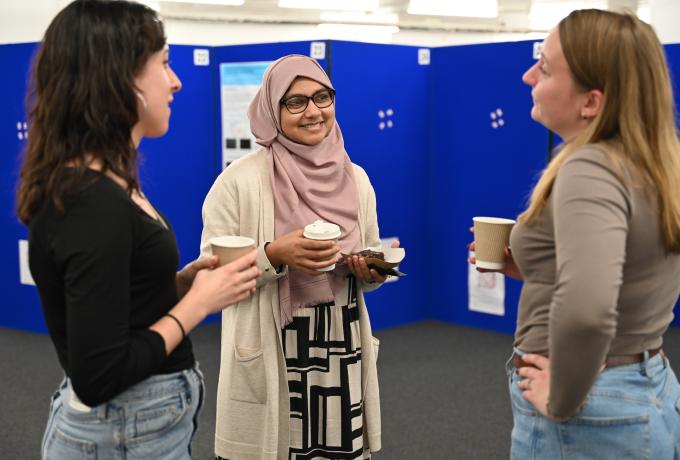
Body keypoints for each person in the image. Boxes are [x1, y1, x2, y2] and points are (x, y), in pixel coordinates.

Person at [16, 1, 261, 458]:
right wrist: (197, 304)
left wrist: (179, 284)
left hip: (139, 425)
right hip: (124, 430)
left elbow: (115, 303)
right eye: (165, 64)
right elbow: (98, 377)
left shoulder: (105, 184)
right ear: (119, 76)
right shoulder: (91, 202)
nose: (176, 81)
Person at [471, 9, 680, 458]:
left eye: (544, 67)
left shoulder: (590, 167)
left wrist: (560, 398)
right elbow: (631, 272)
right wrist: (537, 267)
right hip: (643, 383)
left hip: (591, 405)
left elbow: (588, 310)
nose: (528, 76)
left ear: (592, 102)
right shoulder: (651, 163)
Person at [201, 54, 394, 459]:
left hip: (340, 345)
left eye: (322, 97)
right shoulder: (238, 182)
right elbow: (210, 282)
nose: (313, 112)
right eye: (296, 102)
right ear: (273, 110)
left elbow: (370, 254)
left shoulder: (355, 179)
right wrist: (273, 255)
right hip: (276, 341)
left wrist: (370, 271)